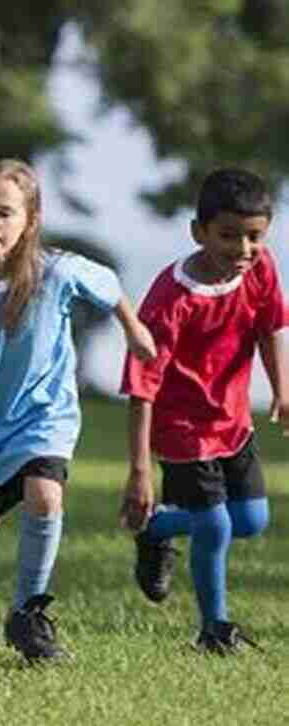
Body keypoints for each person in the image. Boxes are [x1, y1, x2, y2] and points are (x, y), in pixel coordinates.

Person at [0, 158, 156, 662]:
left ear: (30, 220)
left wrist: (134, 330)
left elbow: (109, 286)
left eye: (5, 212)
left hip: (42, 415)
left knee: (45, 496)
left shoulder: (58, 271)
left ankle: (28, 615)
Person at [120, 168, 285, 654]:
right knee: (215, 527)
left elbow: (271, 325)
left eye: (254, 237)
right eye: (228, 236)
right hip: (182, 430)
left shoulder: (260, 269)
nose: (243, 249)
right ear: (199, 232)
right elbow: (140, 388)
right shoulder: (170, 301)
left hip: (232, 423)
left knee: (251, 521)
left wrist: (282, 390)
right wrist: (139, 471)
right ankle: (214, 629)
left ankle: (155, 529)